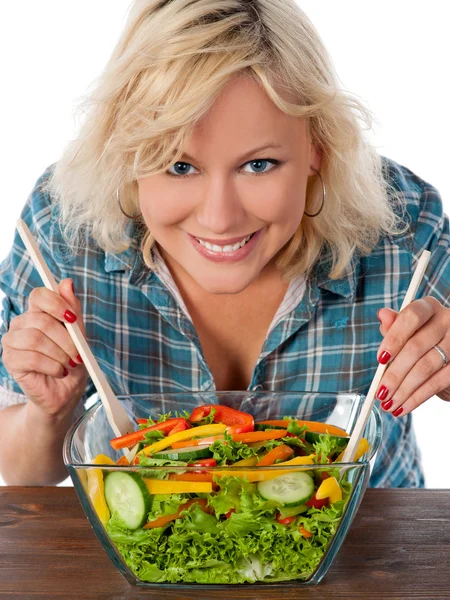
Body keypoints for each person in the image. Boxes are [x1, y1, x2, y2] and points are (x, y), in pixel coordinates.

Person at [0, 0, 449, 486]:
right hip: (153, 558)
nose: (220, 218)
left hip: (372, 551)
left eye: (259, 165)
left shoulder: (401, 225)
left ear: (317, 147)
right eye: (179, 166)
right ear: (127, 153)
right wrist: (50, 411)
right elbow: (24, 474)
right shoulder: (64, 223)